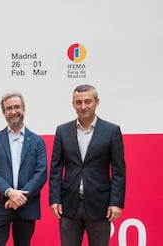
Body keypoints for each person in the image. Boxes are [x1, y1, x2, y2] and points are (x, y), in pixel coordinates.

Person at [49, 84, 126, 246]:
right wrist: (54, 199)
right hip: (69, 206)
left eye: (87, 101)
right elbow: (55, 169)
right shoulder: (62, 131)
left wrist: (116, 202)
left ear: (97, 102)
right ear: (73, 104)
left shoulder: (112, 131)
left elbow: (119, 171)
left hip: (100, 205)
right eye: (79, 102)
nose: (83, 106)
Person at [0, 91, 47, 246]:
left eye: (17, 107)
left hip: (27, 205)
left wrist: (20, 197)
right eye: (9, 108)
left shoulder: (37, 141)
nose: (13, 111)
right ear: (3, 112)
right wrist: (10, 192)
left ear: (24, 109)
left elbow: (41, 173)